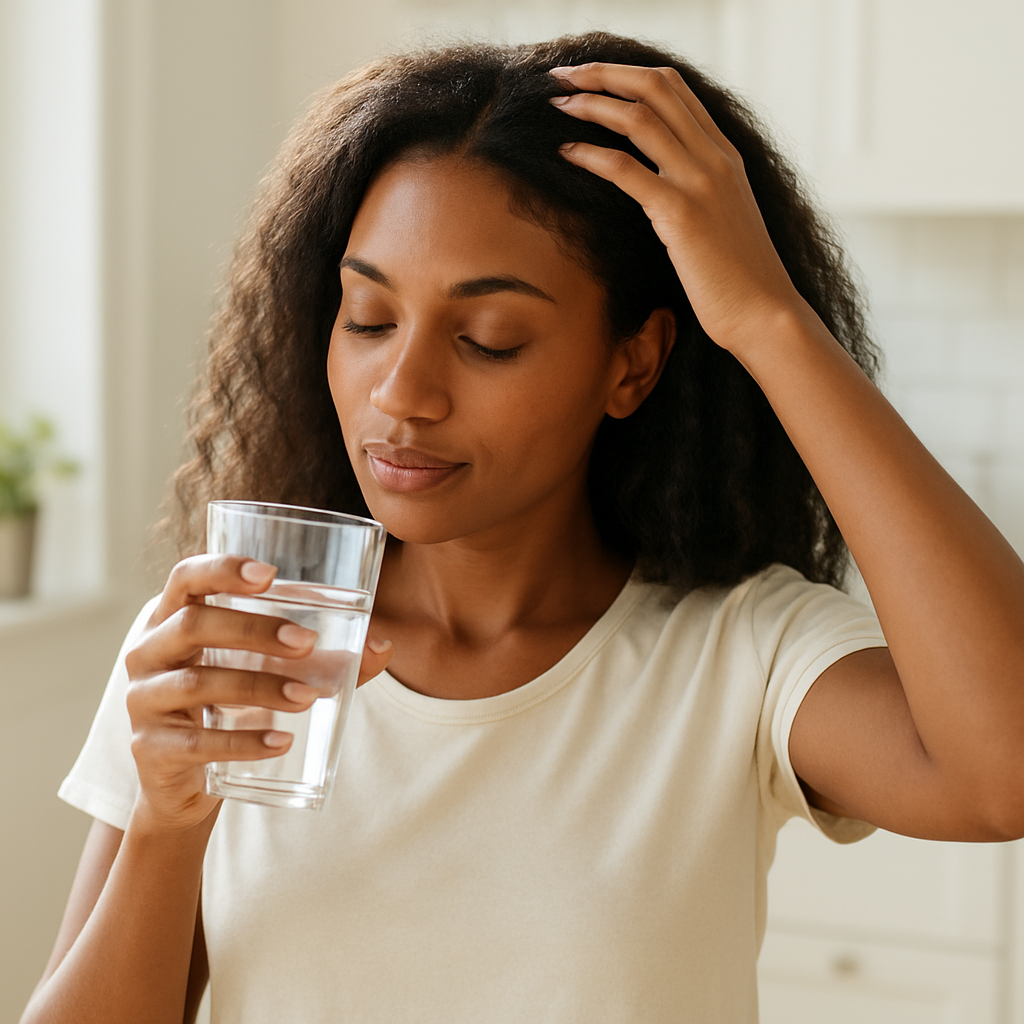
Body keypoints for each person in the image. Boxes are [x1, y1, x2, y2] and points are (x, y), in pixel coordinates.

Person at [20, 30, 1024, 1024]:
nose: (401, 394)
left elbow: (1002, 774)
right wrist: (166, 823)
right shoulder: (233, 640)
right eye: (367, 318)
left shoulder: (739, 654)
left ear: (630, 365)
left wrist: (765, 318)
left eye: (488, 339)